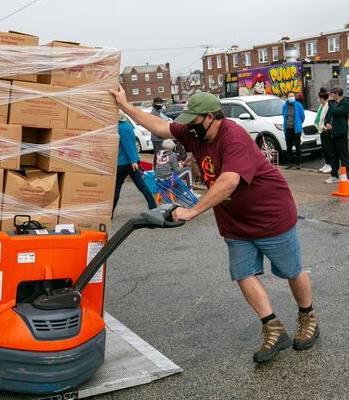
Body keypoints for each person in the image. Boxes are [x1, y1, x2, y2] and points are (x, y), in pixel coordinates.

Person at [109, 87, 319, 363]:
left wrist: (193, 211)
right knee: (243, 273)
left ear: (211, 117)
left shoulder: (234, 137)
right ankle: (273, 328)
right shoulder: (196, 131)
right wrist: (125, 105)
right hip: (234, 219)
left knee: (291, 271)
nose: (188, 126)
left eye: (193, 120)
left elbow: (229, 180)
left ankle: (307, 316)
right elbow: (159, 126)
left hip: (270, 214)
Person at [112, 110, 157, 215]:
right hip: (131, 162)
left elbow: (128, 145)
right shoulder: (127, 126)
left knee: (116, 188)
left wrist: (133, 160)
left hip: (124, 163)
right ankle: (153, 207)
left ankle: (110, 213)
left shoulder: (121, 128)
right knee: (142, 186)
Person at [323, 86, 349, 184]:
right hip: (331, 134)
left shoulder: (345, 103)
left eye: (332, 94)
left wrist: (330, 102)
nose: (331, 97)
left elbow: (336, 111)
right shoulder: (333, 105)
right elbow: (327, 116)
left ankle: (345, 176)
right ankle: (334, 175)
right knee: (333, 156)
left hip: (340, 134)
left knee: (343, 156)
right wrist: (326, 123)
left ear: (336, 94)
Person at [282, 91, 305, 170]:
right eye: (290, 96)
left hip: (296, 129)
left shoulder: (298, 105)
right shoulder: (285, 106)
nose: (292, 97)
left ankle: (298, 163)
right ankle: (289, 163)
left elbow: (302, 116)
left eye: (293, 96)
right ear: (287, 98)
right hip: (287, 128)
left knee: (297, 145)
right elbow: (284, 116)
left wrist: (298, 123)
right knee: (289, 146)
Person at [314, 88, 332, 174]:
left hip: (325, 130)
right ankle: (326, 163)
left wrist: (324, 127)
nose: (318, 99)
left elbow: (325, 118)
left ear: (321, 98)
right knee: (324, 149)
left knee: (328, 148)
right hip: (321, 130)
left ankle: (330, 165)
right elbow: (318, 116)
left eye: (319, 98)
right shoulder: (321, 106)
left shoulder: (327, 106)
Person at [150, 97, 166, 163]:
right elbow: (155, 126)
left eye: (161, 103)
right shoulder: (154, 113)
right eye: (159, 103)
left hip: (159, 138)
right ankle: (156, 170)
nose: (161, 105)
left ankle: (156, 169)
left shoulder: (157, 112)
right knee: (158, 155)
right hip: (157, 138)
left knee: (158, 155)